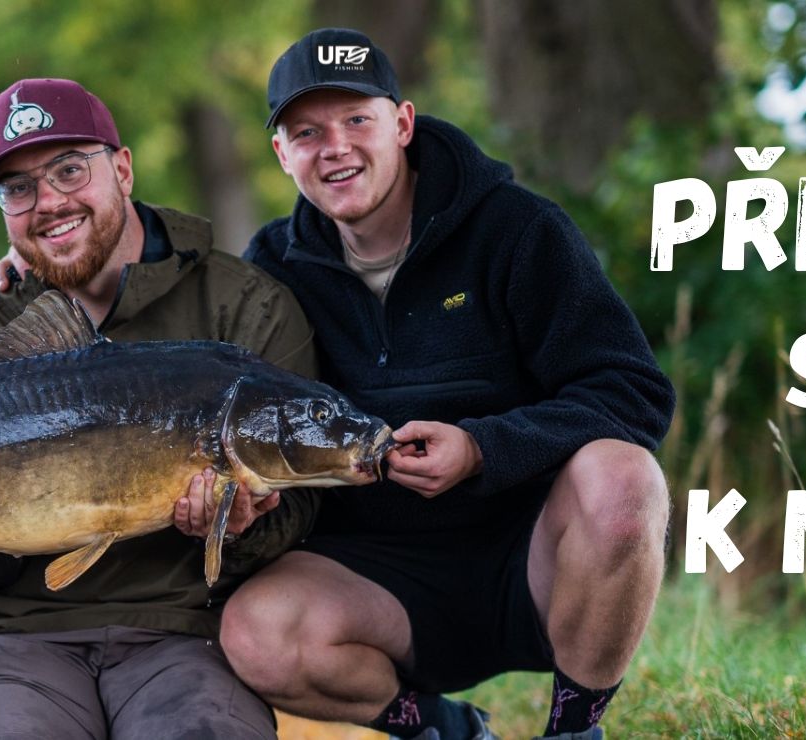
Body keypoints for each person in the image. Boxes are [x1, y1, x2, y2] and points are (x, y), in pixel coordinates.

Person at [219, 29, 678, 740]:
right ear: (282, 155)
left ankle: (574, 728)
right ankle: (443, 729)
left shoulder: (517, 230)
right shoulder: (273, 268)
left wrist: (485, 448)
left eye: (356, 122)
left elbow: (633, 392)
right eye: (307, 132)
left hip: (532, 556)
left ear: (402, 125)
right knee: (254, 632)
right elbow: (198, 365)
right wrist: (41, 269)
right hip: (375, 578)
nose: (334, 147)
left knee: (625, 479)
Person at [0, 77, 317, 739]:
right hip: (17, 639)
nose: (48, 202)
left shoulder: (244, 304)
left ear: (122, 168)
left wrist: (241, 525)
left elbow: (301, 508)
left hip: (186, 635)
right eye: (19, 187)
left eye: (69, 170)